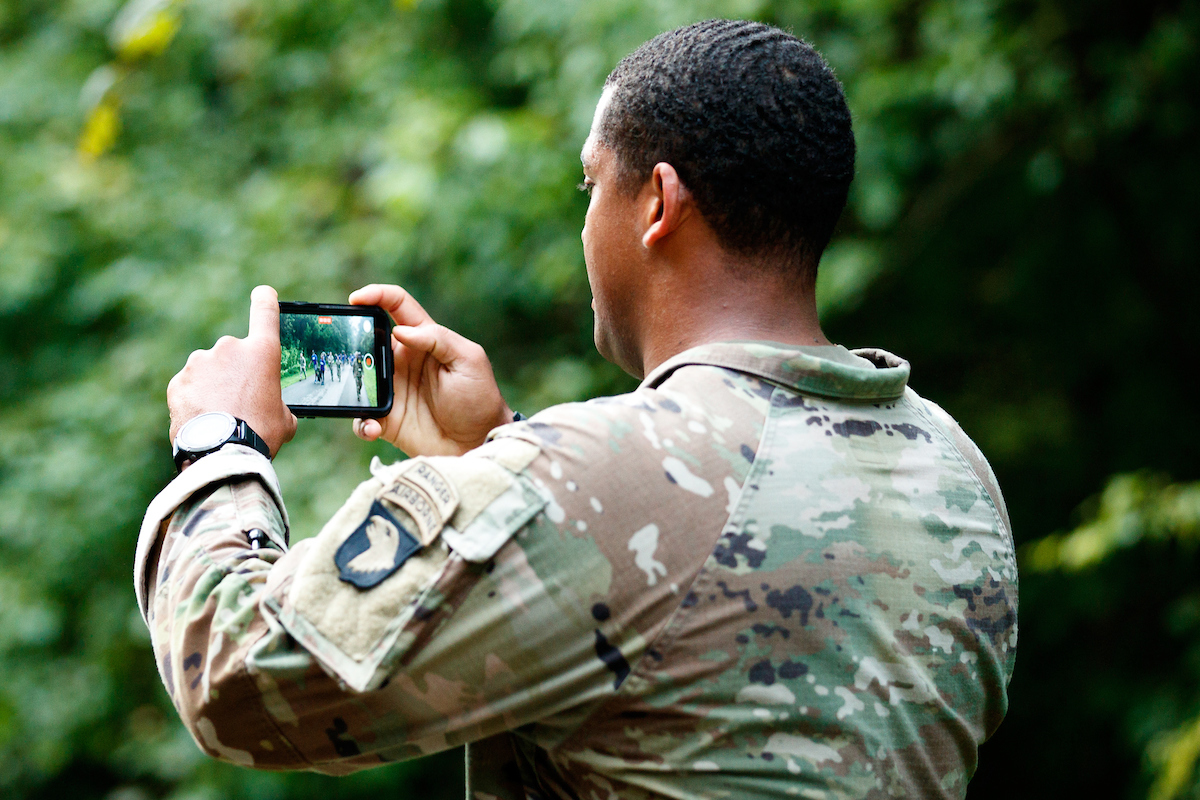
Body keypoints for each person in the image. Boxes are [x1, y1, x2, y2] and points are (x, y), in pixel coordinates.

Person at [137, 20, 1016, 799]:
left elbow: (239, 680)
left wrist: (222, 446)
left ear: (657, 205)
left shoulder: (598, 475)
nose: (585, 219)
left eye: (590, 186)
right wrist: (494, 453)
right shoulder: (953, 471)